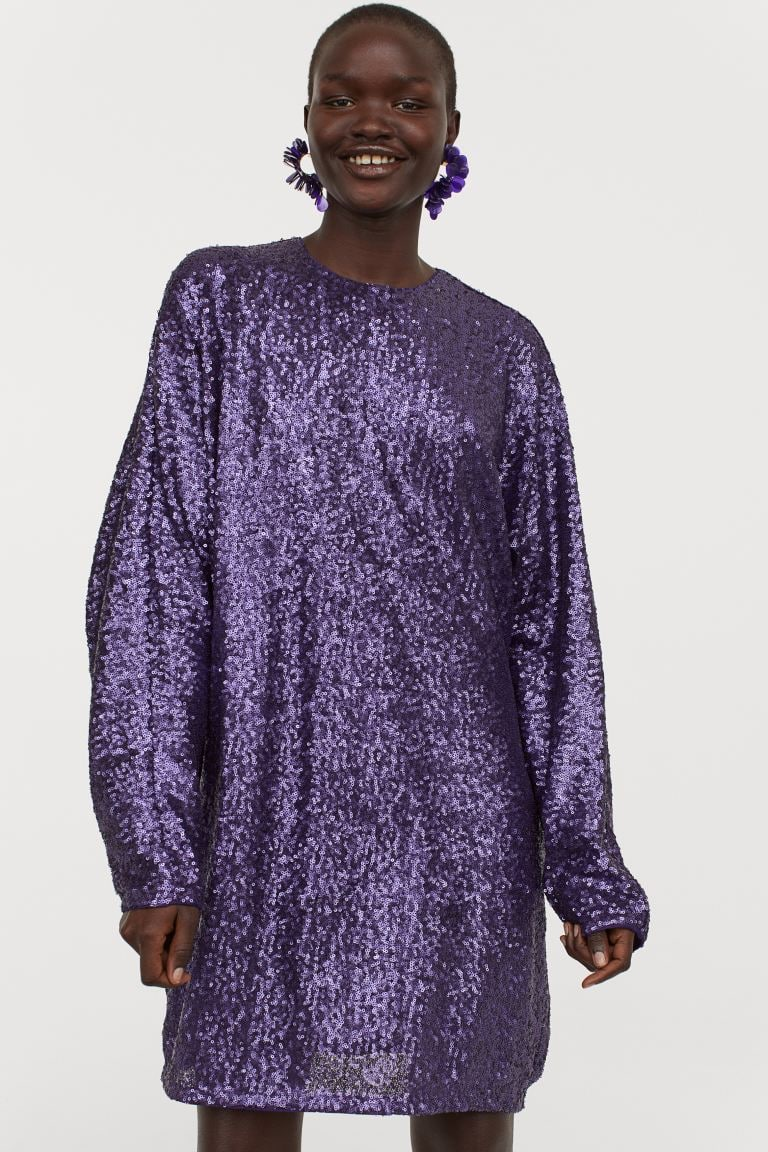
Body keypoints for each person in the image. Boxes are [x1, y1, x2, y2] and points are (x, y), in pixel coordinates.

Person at [85, 5, 651, 1151]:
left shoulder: (503, 350)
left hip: (463, 829)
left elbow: (552, 626)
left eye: (406, 98)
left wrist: (587, 867)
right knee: (246, 1097)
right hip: (264, 813)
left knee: (465, 1113)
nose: (371, 121)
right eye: (342, 96)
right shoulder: (222, 304)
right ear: (307, 120)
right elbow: (148, 585)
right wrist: (156, 847)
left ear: (451, 128)